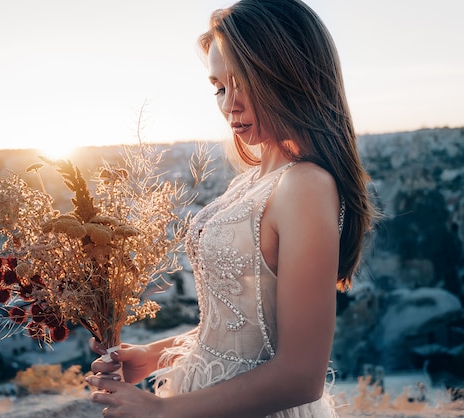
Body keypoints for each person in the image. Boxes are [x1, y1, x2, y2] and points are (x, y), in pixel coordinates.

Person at [86, 0, 377, 416]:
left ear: (289, 74)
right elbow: (239, 326)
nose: (228, 105)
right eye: (219, 87)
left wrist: (161, 412)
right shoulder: (253, 182)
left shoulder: (306, 186)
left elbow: (301, 375)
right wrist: (154, 355)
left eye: (243, 83)